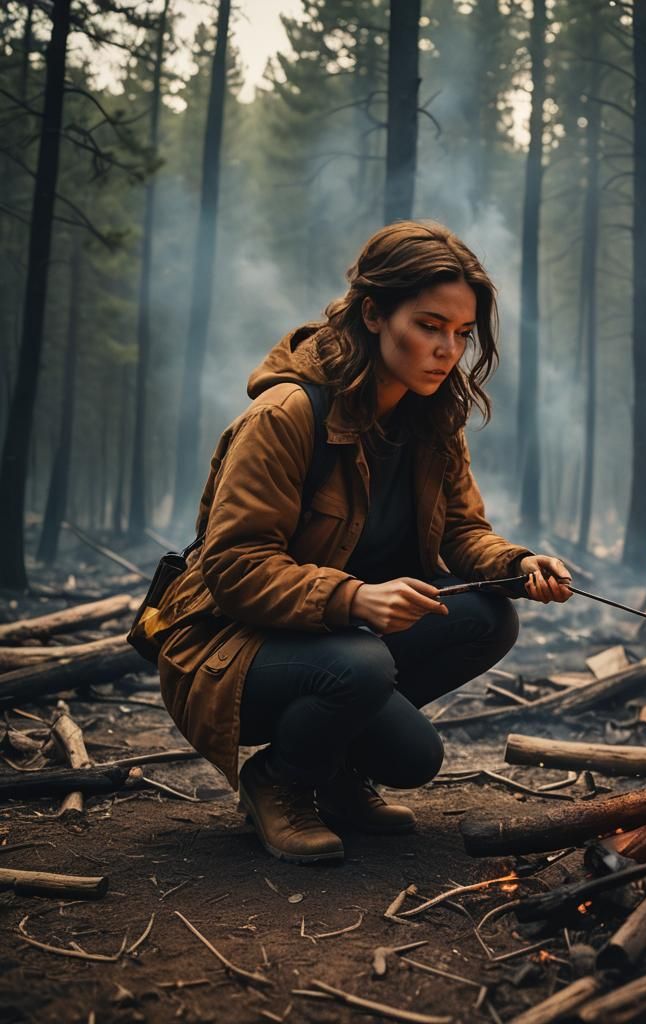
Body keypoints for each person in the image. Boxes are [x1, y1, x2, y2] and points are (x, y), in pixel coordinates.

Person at [146, 221, 572, 863]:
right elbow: (235, 567)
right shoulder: (287, 414)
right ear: (374, 313)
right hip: (231, 646)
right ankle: (278, 781)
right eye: (429, 325)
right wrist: (354, 599)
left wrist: (517, 563)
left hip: (341, 641)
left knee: (486, 621)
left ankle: (339, 774)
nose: (447, 350)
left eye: (461, 334)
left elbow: (461, 529)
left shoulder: (432, 421)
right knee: (368, 673)